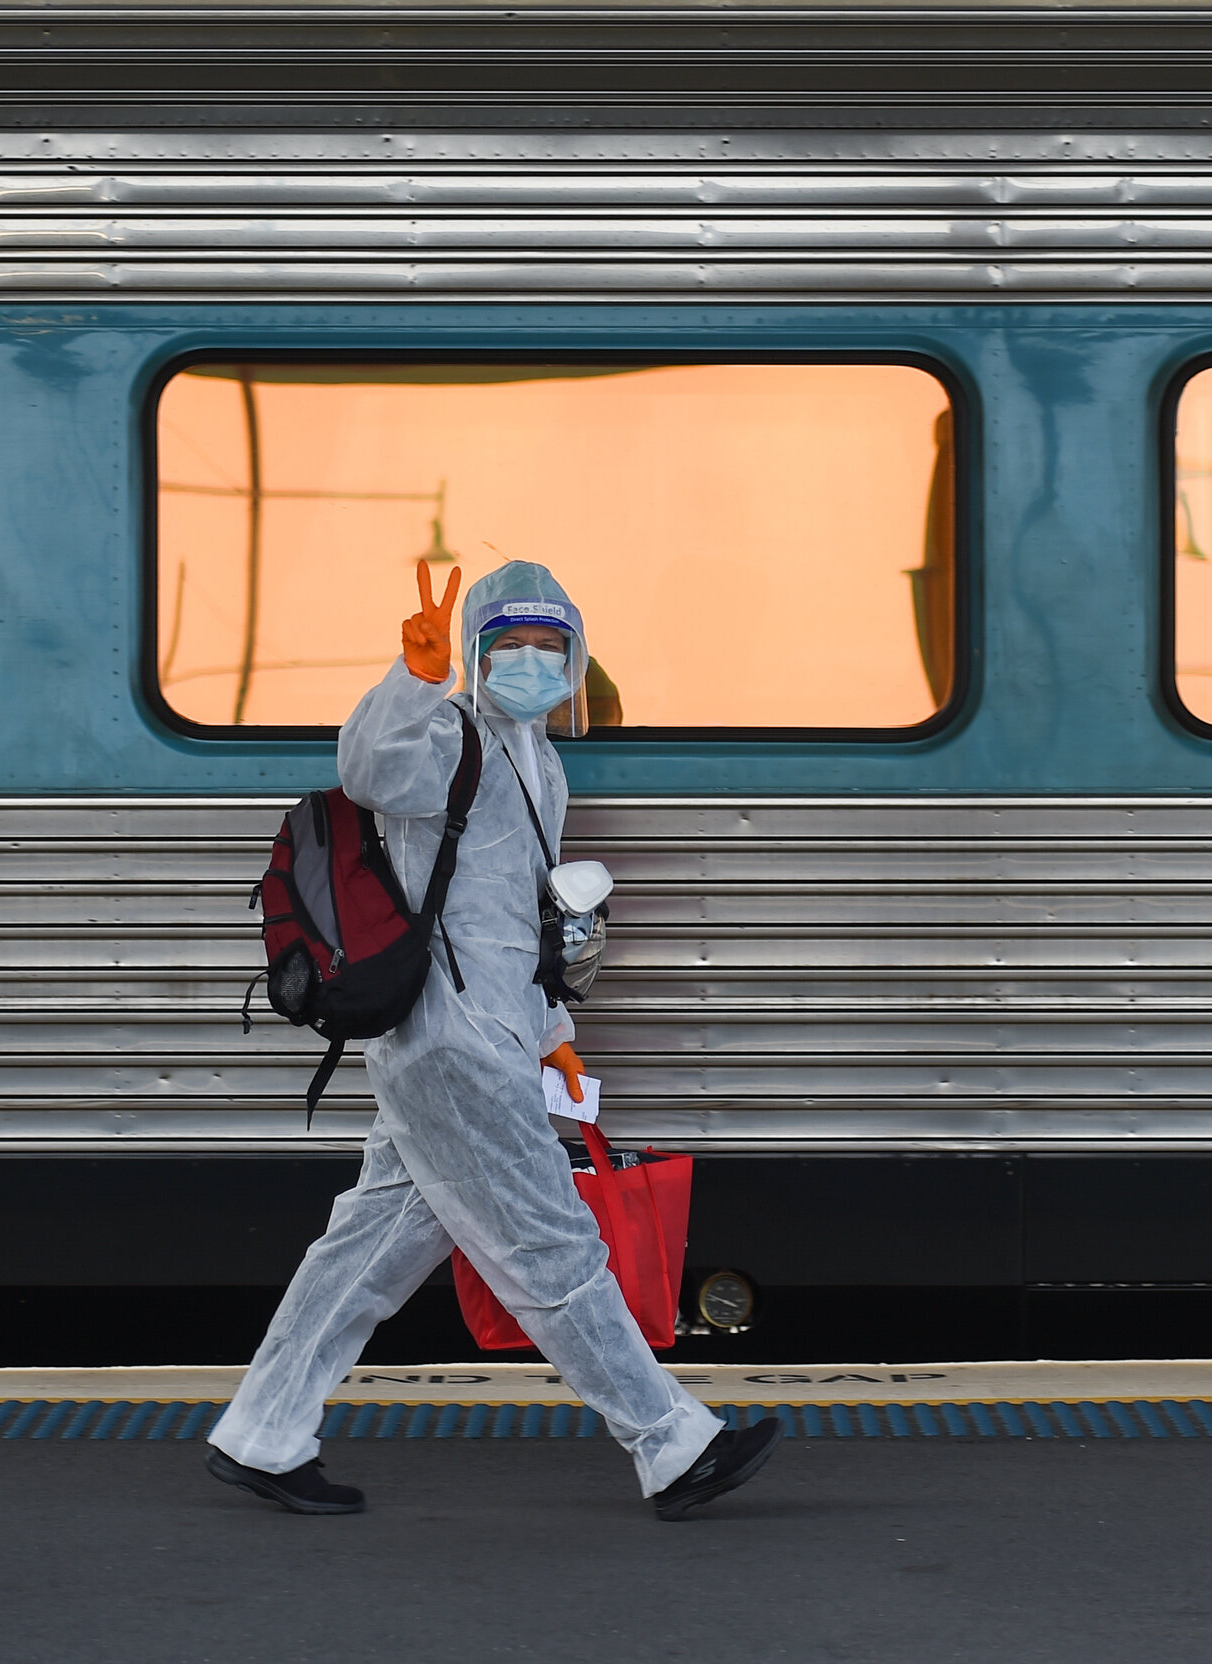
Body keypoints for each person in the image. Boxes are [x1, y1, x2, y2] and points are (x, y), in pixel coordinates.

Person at [205, 559, 781, 1521]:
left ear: (576, 656)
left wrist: (552, 1031)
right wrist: (414, 675)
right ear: (474, 654)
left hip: (489, 1036)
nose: (528, 661)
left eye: (548, 645)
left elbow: (511, 919)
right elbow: (369, 768)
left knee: (366, 1251)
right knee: (550, 1244)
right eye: (506, 645)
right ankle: (671, 1444)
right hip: (451, 1044)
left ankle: (261, 1430)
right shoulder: (449, 735)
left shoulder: (539, 760)